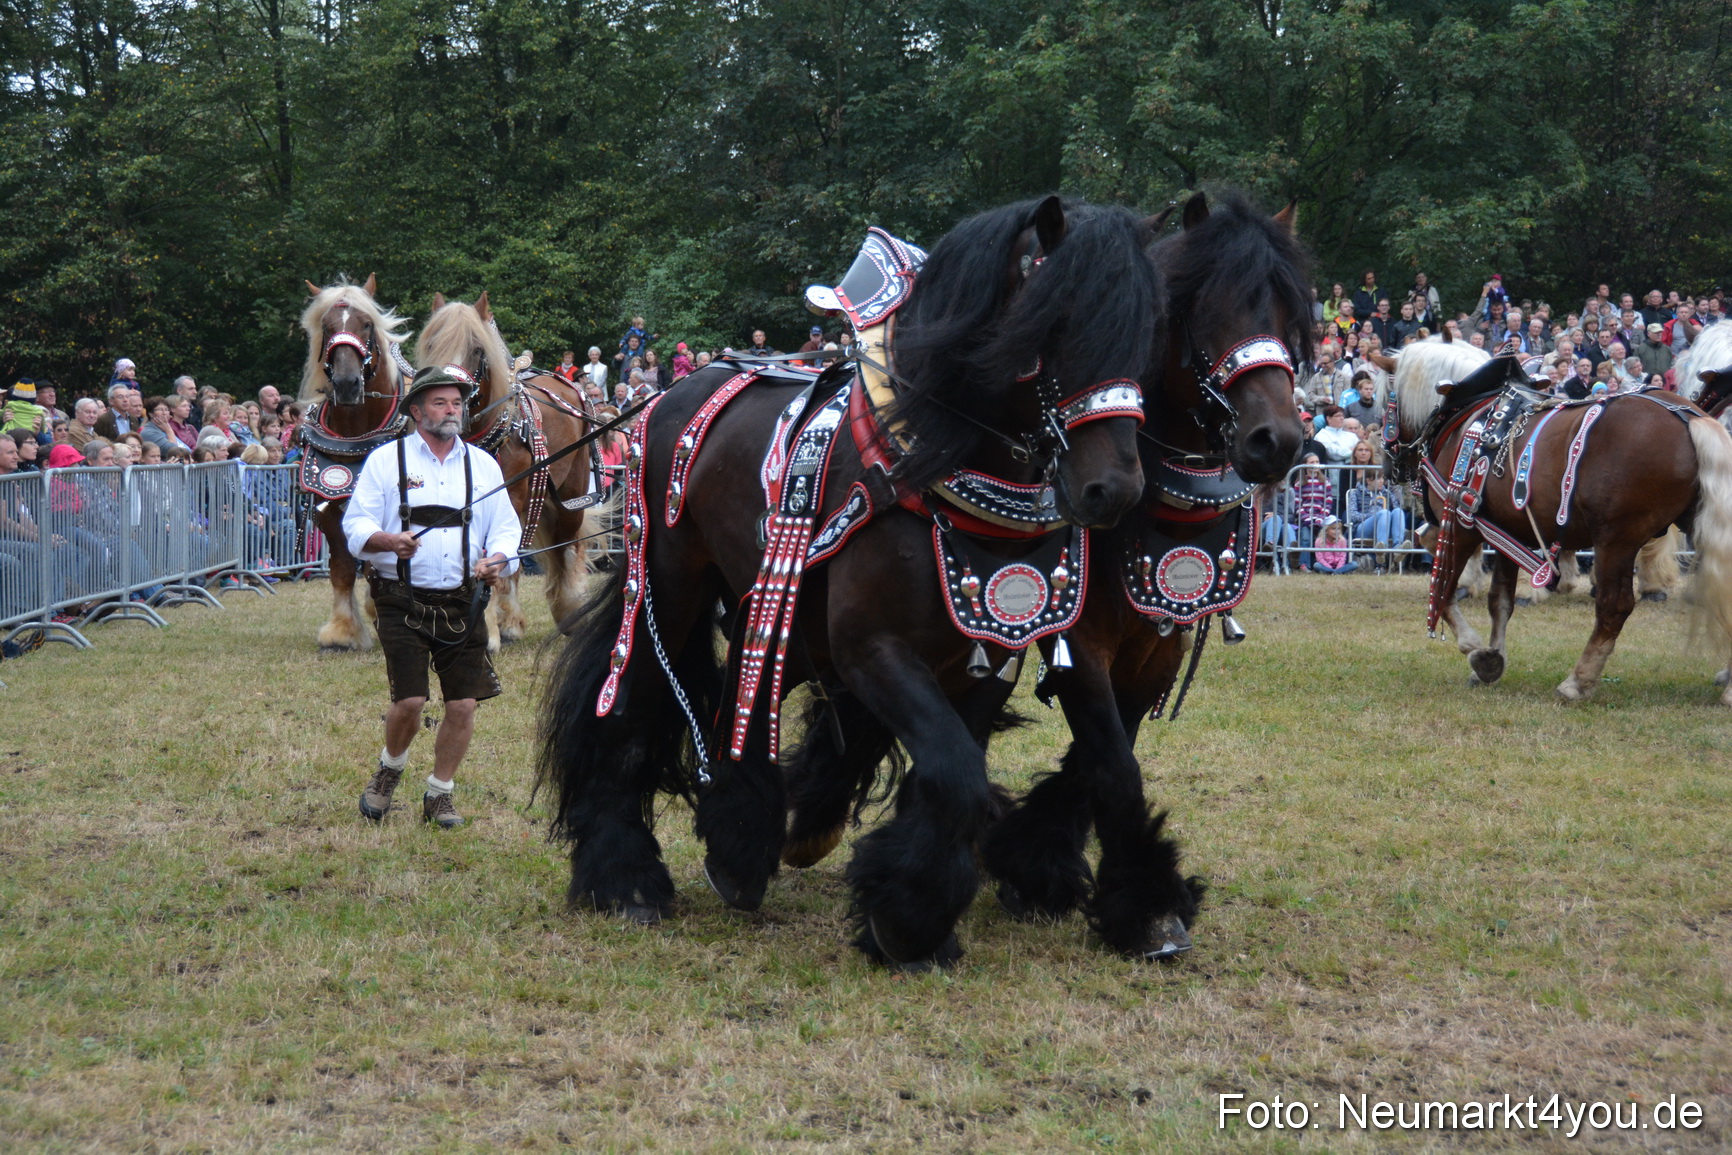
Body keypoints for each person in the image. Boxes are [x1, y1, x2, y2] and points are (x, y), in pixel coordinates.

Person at [345, 365, 522, 830]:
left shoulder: (482, 465)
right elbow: (355, 525)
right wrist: (387, 541)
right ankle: (390, 768)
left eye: (458, 402)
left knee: (462, 705)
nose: (452, 410)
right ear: (417, 410)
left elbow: (507, 528)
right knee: (411, 701)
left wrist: (498, 559)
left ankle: (440, 793)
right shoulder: (387, 461)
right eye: (441, 402)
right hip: (399, 598)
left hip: (465, 601)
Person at [1295, 455, 1333, 572]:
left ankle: (1325, 564)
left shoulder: (1325, 482)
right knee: (1306, 538)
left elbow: (1328, 501)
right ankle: (1304, 564)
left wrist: (1321, 517)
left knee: (1324, 539)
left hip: (1321, 518)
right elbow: (1298, 504)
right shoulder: (1299, 483)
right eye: (1312, 462)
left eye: (1317, 461)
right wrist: (1306, 518)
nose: (1315, 464)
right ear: (1305, 465)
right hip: (1306, 518)